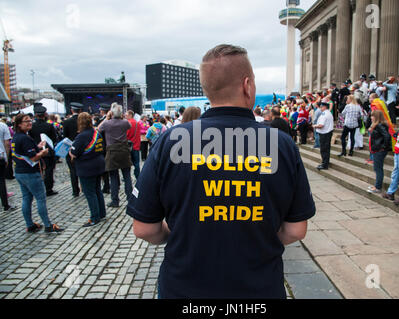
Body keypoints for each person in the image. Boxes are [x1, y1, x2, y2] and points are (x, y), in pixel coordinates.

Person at [127, 44, 315, 299]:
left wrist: (177, 234)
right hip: (258, 290)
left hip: (185, 290)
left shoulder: (170, 141)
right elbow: (295, 230)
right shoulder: (281, 144)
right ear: (247, 85)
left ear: (207, 90)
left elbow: (144, 229)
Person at [12, 114, 64, 233]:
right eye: (26, 121)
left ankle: (30, 224)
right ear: (19, 124)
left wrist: (37, 146)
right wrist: (42, 152)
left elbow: (24, 152)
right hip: (30, 173)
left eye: (30, 120)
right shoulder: (25, 138)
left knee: (26, 198)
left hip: (20, 172)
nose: (29, 122)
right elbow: (33, 158)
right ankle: (48, 225)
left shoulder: (16, 137)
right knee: (40, 198)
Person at [69, 112, 106, 227]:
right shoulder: (96, 133)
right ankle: (101, 213)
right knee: (97, 190)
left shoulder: (82, 136)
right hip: (98, 164)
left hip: (87, 167)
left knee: (89, 193)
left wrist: (70, 151)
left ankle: (94, 217)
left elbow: (74, 153)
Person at [98, 103, 133, 208]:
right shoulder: (125, 123)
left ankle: (115, 200)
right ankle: (130, 200)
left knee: (113, 177)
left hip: (112, 151)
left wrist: (107, 117)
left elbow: (98, 129)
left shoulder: (107, 123)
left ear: (112, 113)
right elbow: (129, 126)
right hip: (124, 150)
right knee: (127, 177)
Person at [28, 103, 58, 196]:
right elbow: (54, 138)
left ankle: (37, 188)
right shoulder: (49, 126)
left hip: (36, 151)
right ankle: (49, 189)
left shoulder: (31, 126)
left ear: (36, 115)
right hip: (48, 152)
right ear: (44, 114)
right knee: (49, 171)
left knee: (37, 170)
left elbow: (30, 139)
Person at [367, 110, 392, 194]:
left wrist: (383, 147)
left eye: (372, 116)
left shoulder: (380, 125)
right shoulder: (376, 125)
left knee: (378, 168)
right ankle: (377, 185)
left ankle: (378, 187)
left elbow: (387, 136)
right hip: (376, 149)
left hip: (379, 150)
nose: (371, 117)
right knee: (376, 167)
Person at [63, 102, 83, 197]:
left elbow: (64, 137)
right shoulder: (83, 121)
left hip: (71, 148)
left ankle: (75, 191)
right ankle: (84, 188)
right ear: (80, 111)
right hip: (83, 148)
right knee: (83, 169)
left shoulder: (66, 122)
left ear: (72, 110)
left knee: (73, 171)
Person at [313, 102, 334, 170]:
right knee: (325, 149)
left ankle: (324, 164)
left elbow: (321, 125)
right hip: (326, 133)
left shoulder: (325, 114)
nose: (320, 108)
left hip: (325, 133)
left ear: (325, 107)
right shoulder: (327, 113)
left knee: (324, 149)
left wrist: (314, 126)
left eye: (321, 107)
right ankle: (325, 163)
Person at [0, 120, 14, 211]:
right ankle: (5, 205)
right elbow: (7, 144)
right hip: (0, 156)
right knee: (1, 181)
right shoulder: (2, 125)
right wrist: (6, 157)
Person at [126, 110, 141, 180]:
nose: (125, 116)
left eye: (126, 115)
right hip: (136, 145)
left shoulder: (128, 123)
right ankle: (138, 176)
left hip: (129, 146)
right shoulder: (137, 123)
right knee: (137, 163)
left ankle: (127, 177)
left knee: (127, 164)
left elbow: (127, 135)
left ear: (130, 115)